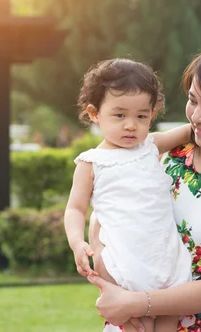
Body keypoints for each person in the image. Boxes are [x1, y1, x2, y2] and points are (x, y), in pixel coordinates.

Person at [87, 39, 201, 332]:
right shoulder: (164, 155)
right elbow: (106, 208)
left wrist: (135, 303)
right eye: (193, 100)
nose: (196, 116)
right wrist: (102, 262)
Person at [64, 58, 194, 332]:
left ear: (152, 114)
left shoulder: (150, 146)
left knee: (170, 318)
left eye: (141, 116)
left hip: (165, 254)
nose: (131, 125)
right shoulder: (92, 162)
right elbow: (75, 208)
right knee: (139, 325)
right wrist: (77, 242)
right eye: (120, 115)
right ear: (94, 113)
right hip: (127, 260)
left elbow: (189, 131)